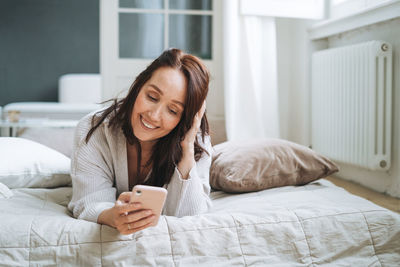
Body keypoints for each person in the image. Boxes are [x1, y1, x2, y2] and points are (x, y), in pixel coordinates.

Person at [68, 48, 212, 235]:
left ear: (185, 118)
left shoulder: (195, 141)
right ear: (138, 86)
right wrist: (112, 216)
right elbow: (89, 201)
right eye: (152, 97)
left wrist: (186, 153)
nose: (154, 115)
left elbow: (192, 218)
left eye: (173, 111)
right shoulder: (94, 129)